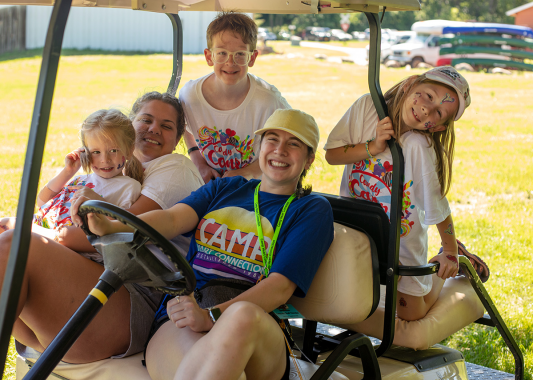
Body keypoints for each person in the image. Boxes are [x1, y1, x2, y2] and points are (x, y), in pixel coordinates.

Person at [86, 108, 335, 380]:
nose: (280, 150)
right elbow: (170, 219)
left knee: (241, 316)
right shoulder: (225, 188)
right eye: (272, 139)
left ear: (310, 159)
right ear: (259, 146)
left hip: (256, 324)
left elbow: (279, 287)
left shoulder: (311, 210)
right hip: (186, 309)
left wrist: (212, 317)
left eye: (294, 144)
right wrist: (112, 227)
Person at [0, 91, 203, 363]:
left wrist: (34, 232)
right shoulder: (107, 170)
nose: (154, 129)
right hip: (93, 277)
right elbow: (49, 204)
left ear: (178, 139)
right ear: (130, 126)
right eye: (146, 120)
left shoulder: (174, 167)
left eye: (166, 126)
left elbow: (120, 231)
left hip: (131, 290)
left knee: (13, 245)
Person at [324, 66, 489, 321]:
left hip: (402, 241)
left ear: (437, 128)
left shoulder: (418, 146)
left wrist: (449, 251)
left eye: (438, 113)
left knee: (412, 314)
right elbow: (332, 155)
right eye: (428, 95)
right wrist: (374, 146)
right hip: (359, 232)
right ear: (410, 83)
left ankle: (445, 265)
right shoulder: (367, 107)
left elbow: (437, 204)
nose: (427, 109)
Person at [0, 109, 143, 244]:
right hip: (43, 226)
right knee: (3, 225)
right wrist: (68, 172)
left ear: (130, 150)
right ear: (85, 152)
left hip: (68, 242)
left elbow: (122, 227)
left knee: (8, 226)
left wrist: (98, 202)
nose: (105, 159)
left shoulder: (129, 186)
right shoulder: (80, 180)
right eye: (96, 152)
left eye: (113, 150)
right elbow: (42, 201)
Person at [181, 11, 291, 184]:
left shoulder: (269, 101)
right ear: (209, 56)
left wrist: (247, 172)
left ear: (252, 58)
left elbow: (290, 143)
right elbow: (184, 126)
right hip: (207, 185)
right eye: (222, 53)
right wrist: (198, 160)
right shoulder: (190, 95)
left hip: (255, 188)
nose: (230, 63)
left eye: (240, 54)